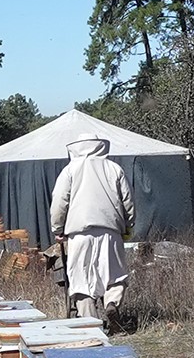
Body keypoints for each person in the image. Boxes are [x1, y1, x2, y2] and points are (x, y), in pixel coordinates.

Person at [47, 134, 135, 323]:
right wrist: (129, 224)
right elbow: (128, 201)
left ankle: (90, 322)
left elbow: (59, 203)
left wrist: (57, 229)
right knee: (115, 274)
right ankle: (111, 304)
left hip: (79, 234)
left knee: (80, 278)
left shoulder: (70, 170)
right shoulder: (114, 169)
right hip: (111, 231)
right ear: (100, 147)